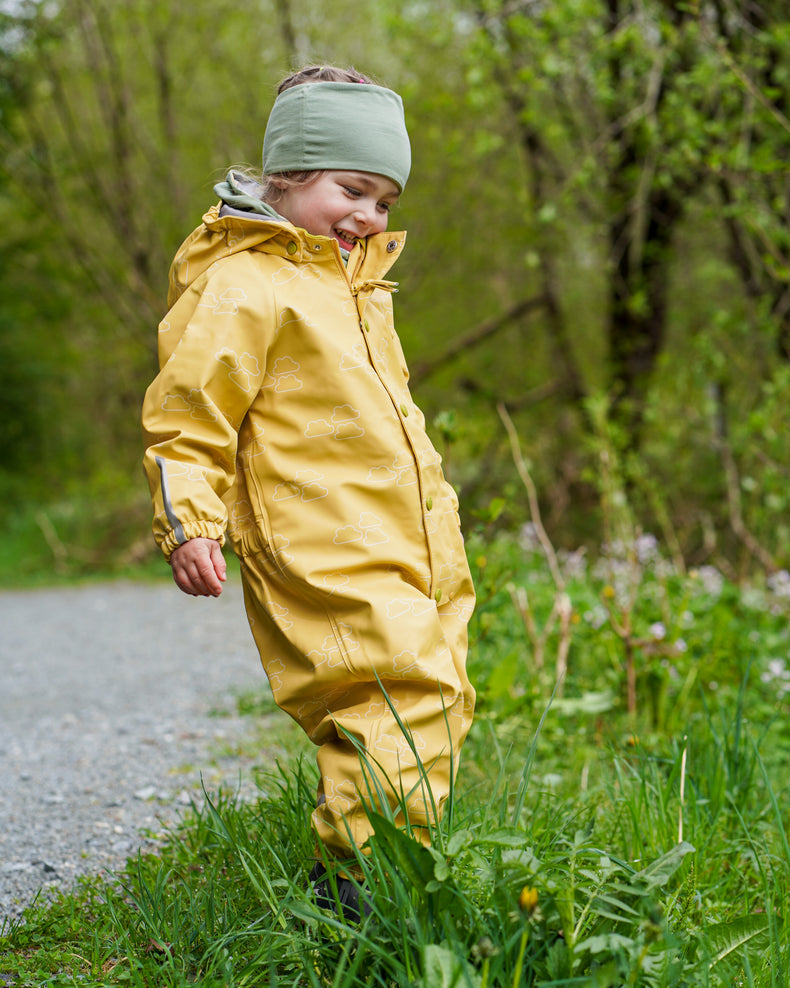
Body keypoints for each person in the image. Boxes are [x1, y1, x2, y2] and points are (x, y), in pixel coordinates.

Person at [141, 65, 475, 913]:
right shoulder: (244, 285)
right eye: (351, 189)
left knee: (435, 696)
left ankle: (386, 868)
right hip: (319, 538)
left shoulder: (358, 287)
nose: (369, 217)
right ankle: (359, 893)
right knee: (403, 698)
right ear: (286, 177)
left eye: (386, 202)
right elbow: (191, 412)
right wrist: (190, 520)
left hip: (412, 537)